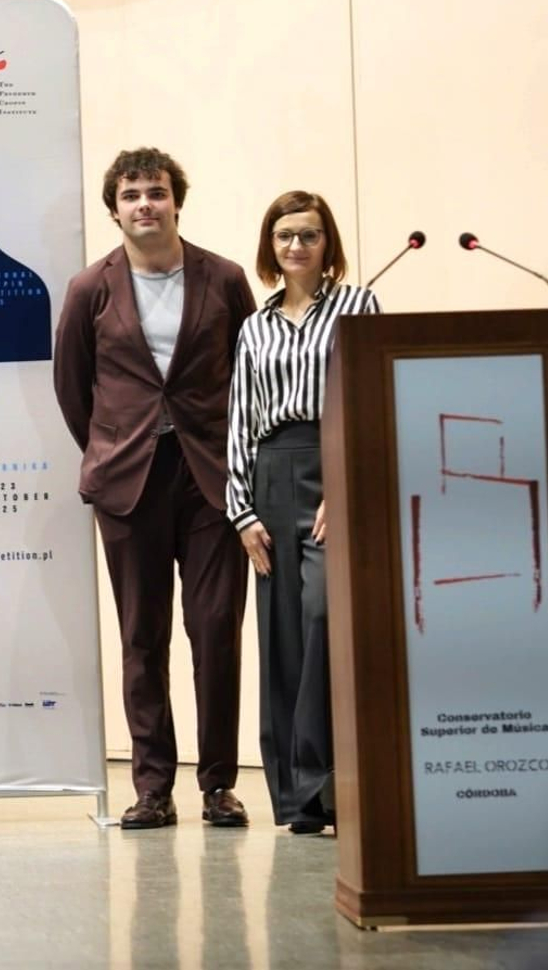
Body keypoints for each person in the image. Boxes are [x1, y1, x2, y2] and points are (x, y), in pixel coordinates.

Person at [54, 147, 256, 830]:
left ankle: (219, 784)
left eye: (158, 192)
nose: (146, 204)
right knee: (144, 637)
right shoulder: (91, 289)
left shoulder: (224, 279)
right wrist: (113, 447)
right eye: (133, 194)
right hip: (129, 483)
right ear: (115, 208)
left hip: (212, 479)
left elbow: (250, 376)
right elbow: (71, 386)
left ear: (177, 201)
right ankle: (153, 788)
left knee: (216, 630)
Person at [225, 190, 378, 835]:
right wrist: (241, 510)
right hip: (271, 474)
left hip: (333, 468)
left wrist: (346, 486)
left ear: (327, 244)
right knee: (281, 636)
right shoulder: (254, 327)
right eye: (285, 235)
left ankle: (332, 783)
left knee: (323, 617)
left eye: (309, 235)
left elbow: (371, 396)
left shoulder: (358, 307)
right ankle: (295, 801)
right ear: (271, 246)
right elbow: (239, 418)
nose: (296, 246)